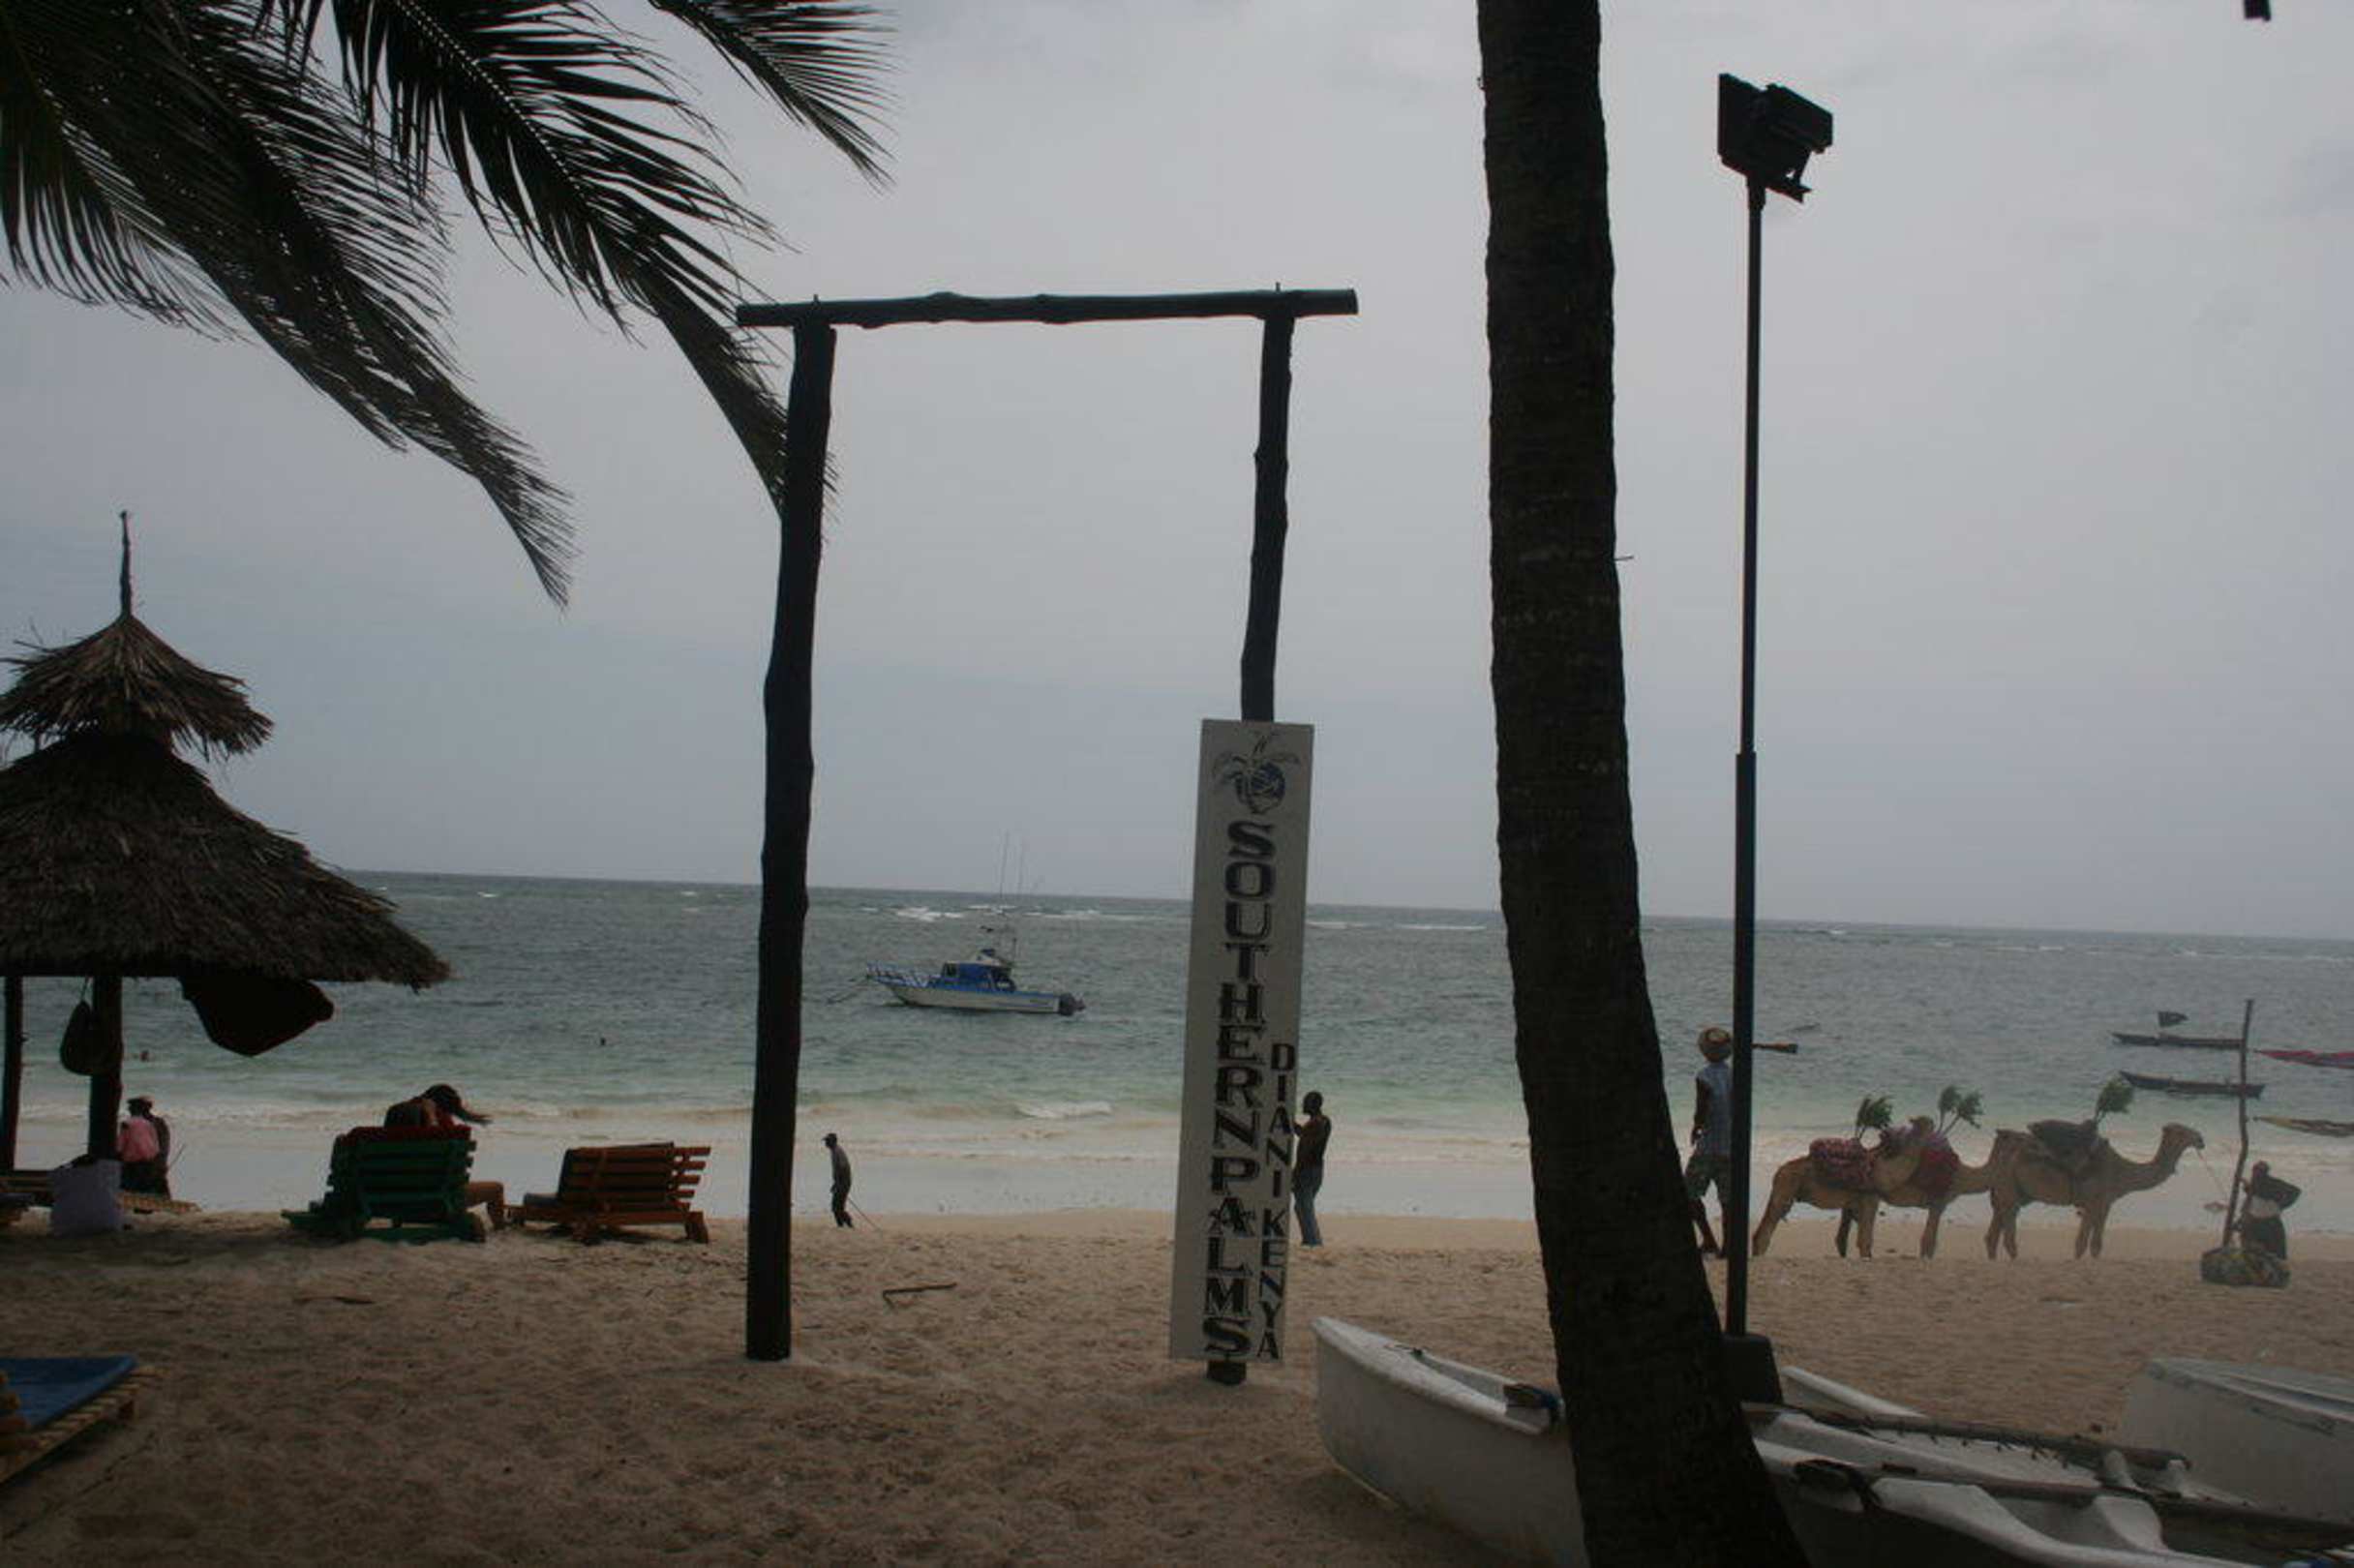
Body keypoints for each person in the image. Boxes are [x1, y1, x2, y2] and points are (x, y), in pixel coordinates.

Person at [385, 1083, 505, 1227]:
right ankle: (500, 1228)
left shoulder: (396, 1116)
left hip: (391, 1199)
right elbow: (450, 1163)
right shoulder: (438, 1120)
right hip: (436, 1200)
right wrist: (431, 1116)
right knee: (497, 1188)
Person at [1686, 1027, 1735, 1256]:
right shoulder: (1734, 1075)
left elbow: (1702, 1108)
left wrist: (1696, 1127)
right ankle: (1728, 1246)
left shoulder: (1703, 1076)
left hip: (1708, 1146)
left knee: (1689, 1194)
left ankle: (1708, 1239)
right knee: (1728, 1201)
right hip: (1730, 1146)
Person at [1294, 1091, 1332, 1248]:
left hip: (1307, 1170)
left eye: (1306, 1102)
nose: (1303, 1105)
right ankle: (1309, 1240)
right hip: (1317, 1169)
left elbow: (1306, 1147)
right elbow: (1305, 1135)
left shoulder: (1316, 1123)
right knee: (1302, 1207)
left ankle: (1314, 1242)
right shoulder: (1324, 1121)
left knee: (1305, 1207)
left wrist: (1296, 1172)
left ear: (1313, 1104)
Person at [2240, 1160, 2301, 1258]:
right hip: (2255, 1222)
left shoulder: (2273, 1184)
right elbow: (2253, 1195)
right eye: (2255, 1172)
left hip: (2271, 1223)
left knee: (2274, 1254)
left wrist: (2283, 1205)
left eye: (2258, 1172)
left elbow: (2296, 1191)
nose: (2256, 1174)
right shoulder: (2254, 1185)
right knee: (2253, 1253)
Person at [118, 1095, 171, 1196]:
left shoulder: (157, 1123)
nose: (129, 1110)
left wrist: (159, 1164)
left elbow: (163, 1145)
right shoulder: (151, 1123)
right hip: (148, 1164)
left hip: (148, 1165)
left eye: (131, 1107)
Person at [824, 1132, 854, 1227]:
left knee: (836, 1206)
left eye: (827, 1141)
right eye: (826, 1141)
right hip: (841, 1182)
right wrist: (835, 1184)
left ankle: (846, 1223)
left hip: (843, 1182)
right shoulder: (834, 1151)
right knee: (837, 1206)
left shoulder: (838, 1151)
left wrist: (840, 1183)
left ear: (833, 1141)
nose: (826, 1143)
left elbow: (844, 1167)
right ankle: (844, 1224)